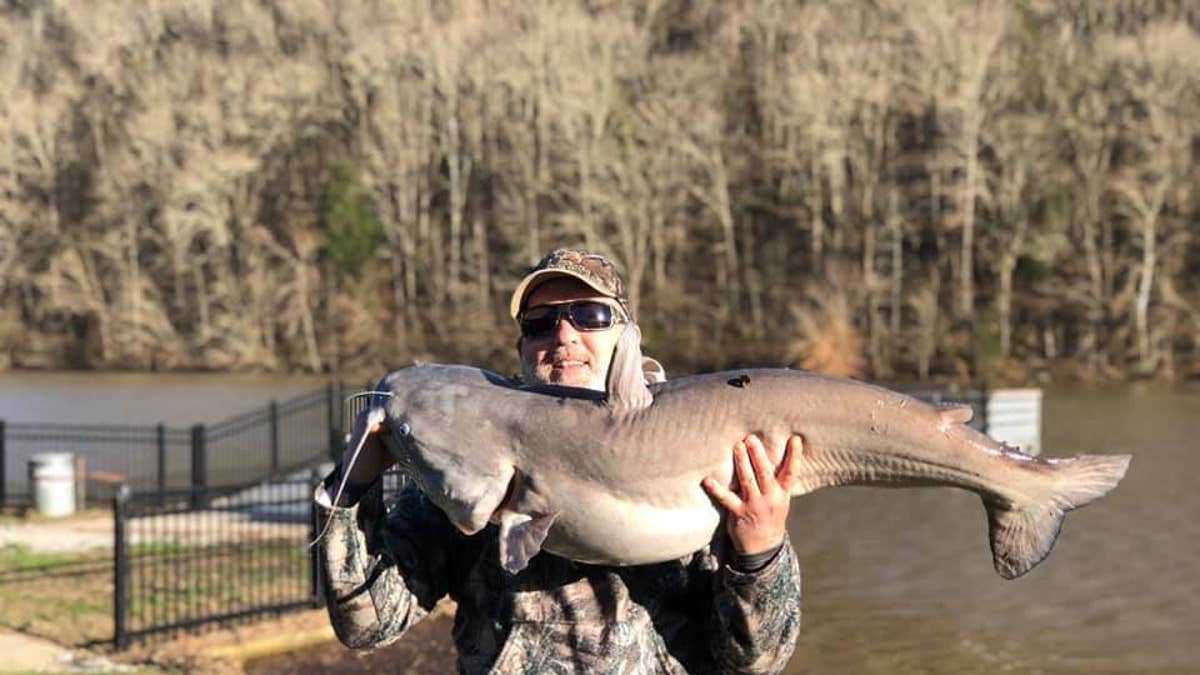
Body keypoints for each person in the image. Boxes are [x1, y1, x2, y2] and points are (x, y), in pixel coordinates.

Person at [316, 248, 803, 673]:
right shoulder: (469, 458)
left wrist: (759, 554)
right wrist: (349, 491)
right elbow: (369, 625)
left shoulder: (705, 450)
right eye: (540, 323)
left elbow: (756, 662)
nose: (563, 335)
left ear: (627, 337)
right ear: (522, 347)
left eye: (589, 315)